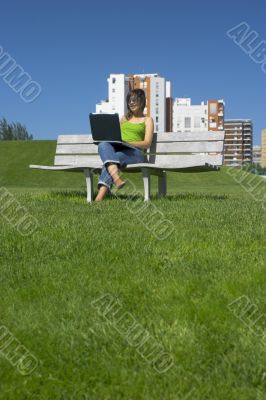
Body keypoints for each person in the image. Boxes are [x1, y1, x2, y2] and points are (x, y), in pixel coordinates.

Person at [95, 89, 154, 202]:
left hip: (137, 153)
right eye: (129, 101)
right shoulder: (123, 119)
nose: (131, 103)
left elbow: (147, 143)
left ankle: (99, 198)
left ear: (141, 101)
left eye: (134, 100)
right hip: (120, 149)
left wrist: (128, 143)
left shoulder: (147, 120)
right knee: (103, 145)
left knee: (110, 161)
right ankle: (116, 179)